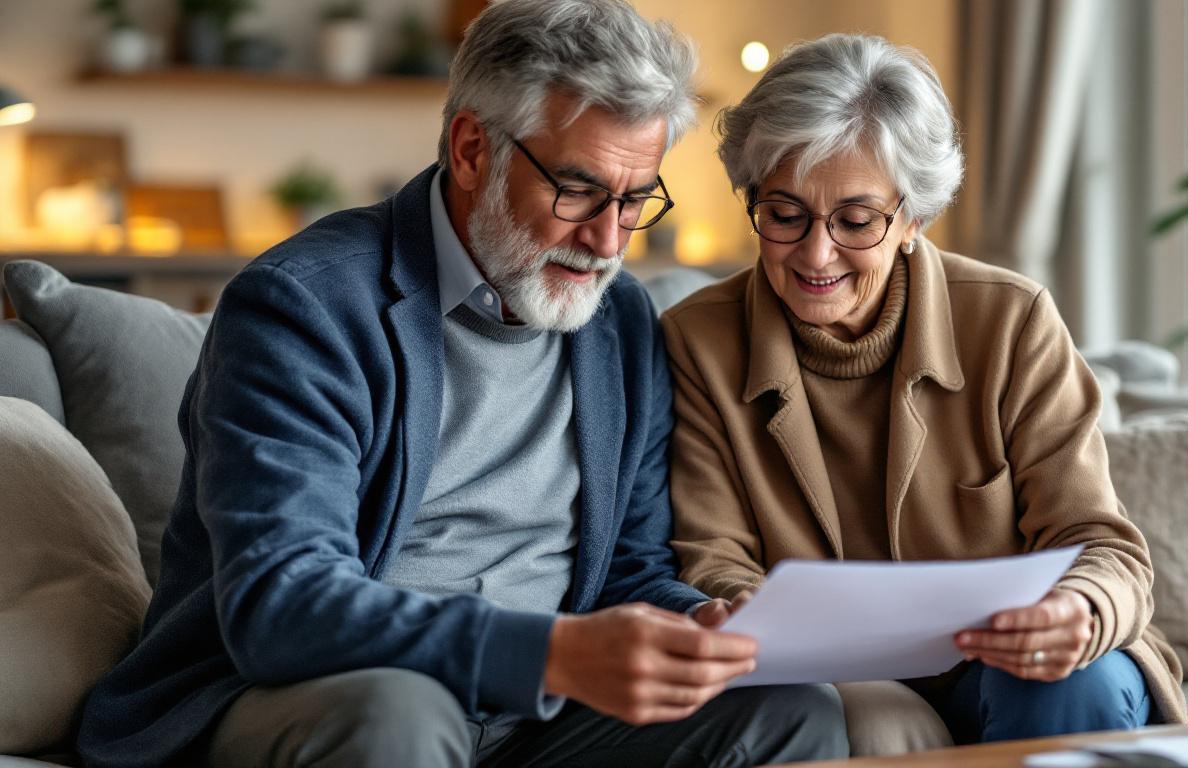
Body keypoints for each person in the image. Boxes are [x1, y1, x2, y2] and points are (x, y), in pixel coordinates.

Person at [76, 2, 848, 766]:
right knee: (399, 712)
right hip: (308, 695)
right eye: (577, 190)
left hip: (540, 718)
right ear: (473, 149)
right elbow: (281, 602)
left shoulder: (621, 324)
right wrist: (550, 653)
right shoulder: (303, 305)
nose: (608, 240)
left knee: (786, 709)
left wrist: (703, 629)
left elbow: (627, 571)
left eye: (634, 198)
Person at [661, 33, 1188, 757]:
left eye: (855, 220)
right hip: (826, 667)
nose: (816, 254)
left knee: (1075, 685)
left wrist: (1080, 610)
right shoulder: (697, 340)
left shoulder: (1010, 319)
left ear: (912, 218)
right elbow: (711, 552)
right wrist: (761, 619)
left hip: (1014, 665)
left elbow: (1101, 544)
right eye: (785, 215)